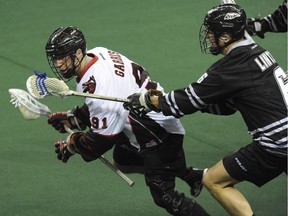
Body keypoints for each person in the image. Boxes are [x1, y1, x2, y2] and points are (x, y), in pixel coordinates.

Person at [123, 4, 287, 216]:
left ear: (226, 37)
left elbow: (185, 100)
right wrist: (202, 104)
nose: (208, 35)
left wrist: (149, 102)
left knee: (213, 180)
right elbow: (228, 106)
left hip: (277, 144)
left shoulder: (229, 68)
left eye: (212, 31)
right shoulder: (258, 53)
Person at [44, 26, 210, 216]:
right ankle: (191, 175)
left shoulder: (99, 86)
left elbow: (99, 142)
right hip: (144, 119)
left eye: (62, 57)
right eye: (55, 58)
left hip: (158, 134)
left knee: (165, 196)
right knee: (122, 160)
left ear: (78, 53)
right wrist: (76, 118)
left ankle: (176, 173)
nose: (58, 64)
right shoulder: (97, 53)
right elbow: (109, 101)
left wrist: (72, 144)